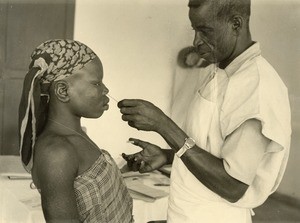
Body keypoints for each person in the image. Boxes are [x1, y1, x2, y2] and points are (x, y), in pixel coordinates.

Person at [118, 0, 291, 222]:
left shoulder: (255, 87)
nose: (196, 42)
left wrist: (163, 125)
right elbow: (215, 149)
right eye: (195, 30)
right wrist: (168, 155)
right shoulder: (223, 70)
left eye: (205, 31)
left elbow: (233, 185)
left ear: (236, 24)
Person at [18, 39, 133, 223]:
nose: (106, 89)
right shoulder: (56, 152)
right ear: (63, 91)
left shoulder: (76, 134)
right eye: (96, 83)